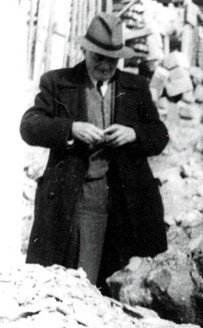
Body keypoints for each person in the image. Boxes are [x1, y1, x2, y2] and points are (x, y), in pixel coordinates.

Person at [20, 12, 169, 291]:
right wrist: (70, 128)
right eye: (98, 57)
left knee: (120, 278)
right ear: (84, 51)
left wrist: (134, 133)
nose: (105, 65)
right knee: (76, 275)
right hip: (74, 194)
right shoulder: (58, 83)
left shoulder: (135, 88)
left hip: (125, 196)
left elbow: (159, 136)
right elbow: (29, 126)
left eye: (112, 59)